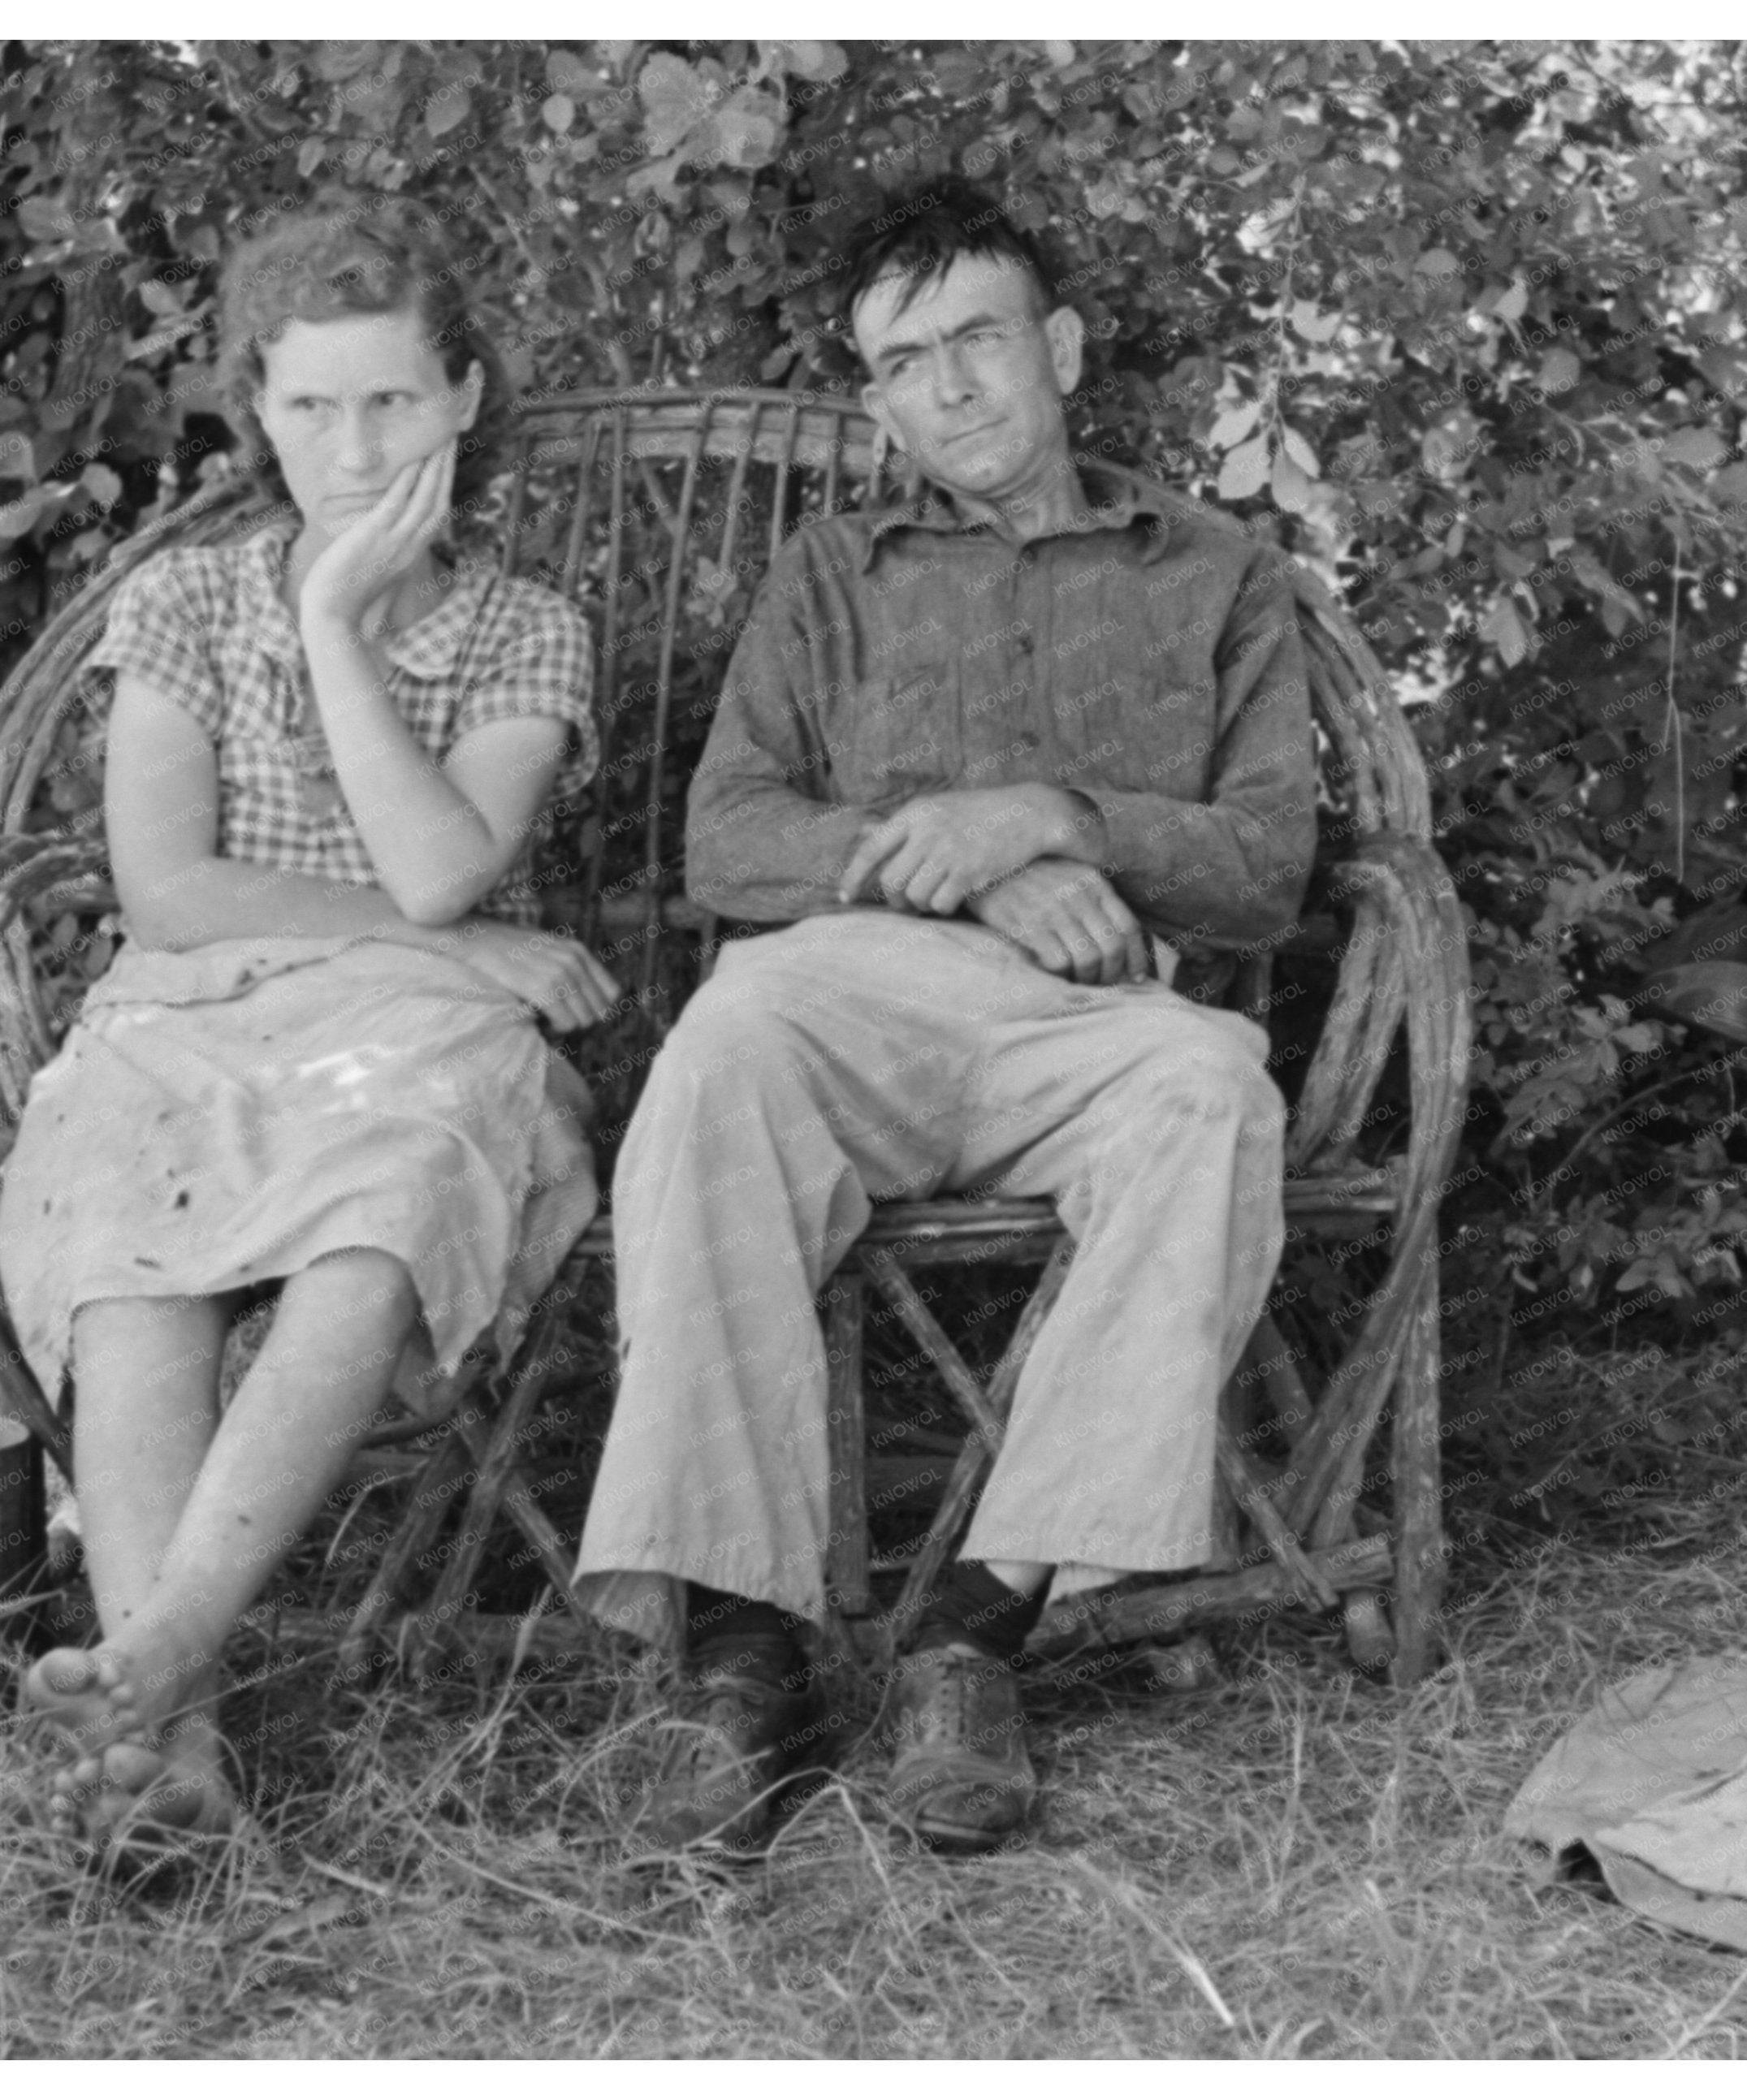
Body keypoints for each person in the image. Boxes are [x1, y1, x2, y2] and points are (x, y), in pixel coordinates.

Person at [573, 180, 1317, 1855]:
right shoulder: (832, 573)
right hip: (849, 996)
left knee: (1214, 1095)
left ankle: (973, 1630)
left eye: (979, 339)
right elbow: (726, 839)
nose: (953, 388)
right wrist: (958, 865)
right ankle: (739, 1656)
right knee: (717, 1062)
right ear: (876, 400)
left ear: (1054, 346)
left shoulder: (1213, 573)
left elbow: (1267, 866)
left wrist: (1057, 812)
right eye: (906, 365)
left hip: (1098, 1011)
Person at [0, 197, 616, 1867]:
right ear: (255, 411)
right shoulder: (188, 605)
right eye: (311, 405)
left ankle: (170, 1644)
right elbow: (170, 892)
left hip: (419, 1034)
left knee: (390, 1202)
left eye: (395, 401)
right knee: (136, 1239)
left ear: (465, 399)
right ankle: (175, 1754)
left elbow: (429, 868)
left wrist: (337, 624)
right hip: (192, 1015)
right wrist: (480, 936)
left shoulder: (521, 629)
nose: (353, 447)